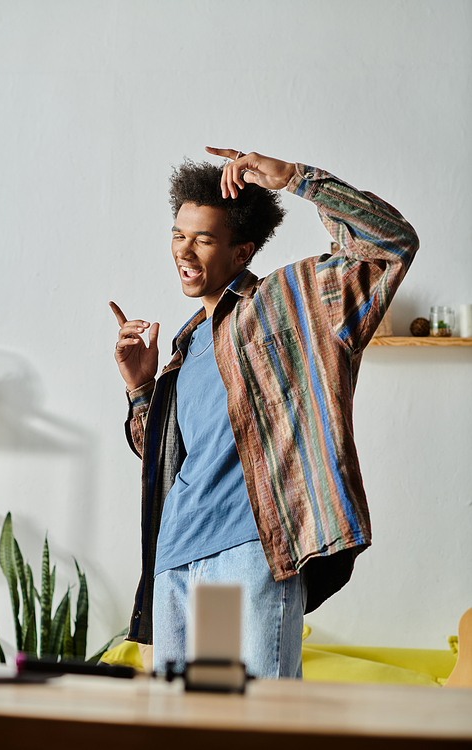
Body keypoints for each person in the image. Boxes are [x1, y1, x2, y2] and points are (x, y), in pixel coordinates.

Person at [110, 147, 419, 679]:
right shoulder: (185, 348)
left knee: (252, 724)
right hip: (177, 554)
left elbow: (391, 245)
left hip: (246, 553)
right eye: (179, 234)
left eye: (204, 238)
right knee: (186, 726)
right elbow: (174, 460)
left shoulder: (288, 306)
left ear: (241, 252)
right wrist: (142, 389)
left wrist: (298, 180)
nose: (185, 249)